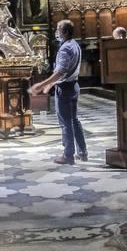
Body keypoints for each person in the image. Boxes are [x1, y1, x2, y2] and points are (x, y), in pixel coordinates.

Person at [28, 19, 87, 165]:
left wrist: (41, 84)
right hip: (73, 86)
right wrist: (51, 85)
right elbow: (65, 72)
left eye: (58, 29)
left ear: (65, 31)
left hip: (65, 89)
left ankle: (68, 156)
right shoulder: (74, 45)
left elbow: (61, 72)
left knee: (66, 122)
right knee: (74, 120)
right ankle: (83, 153)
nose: (56, 31)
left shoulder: (66, 48)